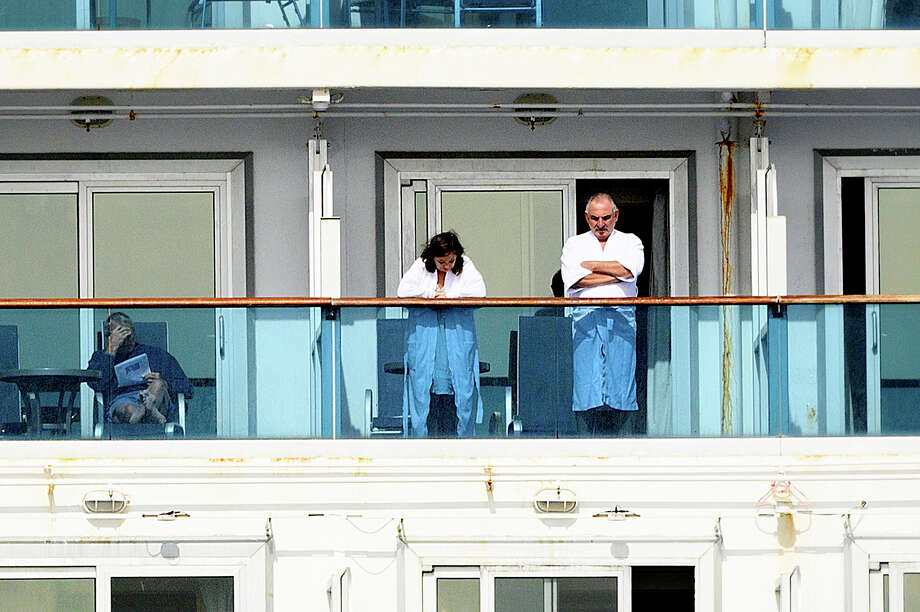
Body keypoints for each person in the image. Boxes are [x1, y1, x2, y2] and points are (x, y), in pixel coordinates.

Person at [560, 193, 645, 436]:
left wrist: (590, 265)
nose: (601, 224)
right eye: (595, 218)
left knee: (621, 379)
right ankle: (585, 444)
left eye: (606, 218)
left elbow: (630, 271)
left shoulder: (631, 241)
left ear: (616, 216)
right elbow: (574, 281)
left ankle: (623, 444)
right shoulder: (574, 244)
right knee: (587, 381)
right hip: (586, 316)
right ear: (587, 218)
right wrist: (617, 274)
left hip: (621, 316)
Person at [397, 231, 487, 438]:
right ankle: (422, 436)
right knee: (423, 384)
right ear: (432, 258)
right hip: (427, 333)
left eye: (450, 261)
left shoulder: (466, 265)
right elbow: (403, 291)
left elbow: (479, 292)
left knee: (459, 383)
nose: (447, 265)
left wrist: (449, 296)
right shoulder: (421, 265)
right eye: (441, 261)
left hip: (455, 333)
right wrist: (431, 295)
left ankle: (461, 435)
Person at [88, 312, 193, 426]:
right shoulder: (101, 357)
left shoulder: (156, 355)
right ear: (110, 336)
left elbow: (188, 389)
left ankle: (145, 410)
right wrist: (111, 349)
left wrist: (165, 383)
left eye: (129, 333)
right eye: (120, 334)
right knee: (127, 408)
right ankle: (147, 413)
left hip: (155, 398)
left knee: (158, 385)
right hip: (122, 400)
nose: (127, 338)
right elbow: (97, 385)